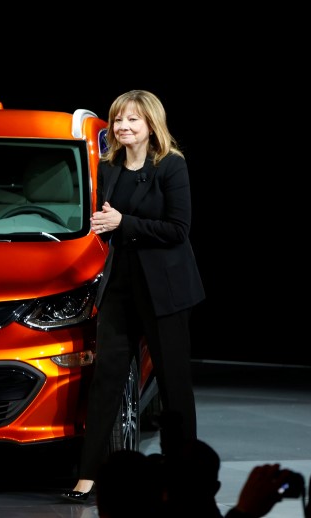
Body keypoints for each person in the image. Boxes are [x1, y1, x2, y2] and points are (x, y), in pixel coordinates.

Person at [61, 89, 205, 502]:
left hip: (166, 290)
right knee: (105, 381)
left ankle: (182, 473)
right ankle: (88, 475)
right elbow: (107, 225)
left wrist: (124, 222)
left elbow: (178, 230)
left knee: (174, 386)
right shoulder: (110, 169)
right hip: (121, 286)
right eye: (118, 120)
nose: (123, 127)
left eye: (132, 121)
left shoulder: (171, 166)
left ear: (150, 125)